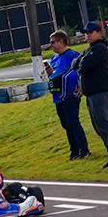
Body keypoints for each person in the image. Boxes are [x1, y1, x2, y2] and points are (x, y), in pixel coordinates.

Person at [76, 22, 108, 168]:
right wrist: (81, 61)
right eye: (86, 33)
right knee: (98, 127)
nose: (87, 35)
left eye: (90, 33)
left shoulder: (100, 48)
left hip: (100, 92)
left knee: (104, 124)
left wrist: (81, 62)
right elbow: (75, 64)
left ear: (99, 32)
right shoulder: (89, 49)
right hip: (91, 93)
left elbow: (83, 65)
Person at [45, 30, 90, 160]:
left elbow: (81, 72)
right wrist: (49, 72)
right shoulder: (54, 58)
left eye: (53, 42)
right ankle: (74, 150)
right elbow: (55, 75)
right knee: (66, 124)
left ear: (61, 41)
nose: (51, 45)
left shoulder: (73, 55)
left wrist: (82, 87)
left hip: (71, 93)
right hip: (58, 95)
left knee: (73, 122)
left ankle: (84, 149)